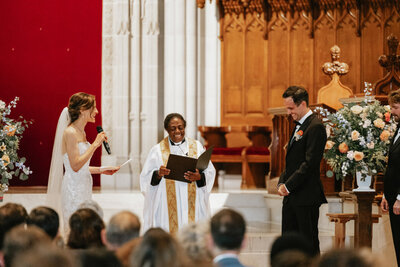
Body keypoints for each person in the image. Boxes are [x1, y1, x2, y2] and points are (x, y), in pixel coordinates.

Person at [46, 92, 120, 234]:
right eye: (94, 108)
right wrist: (95, 144)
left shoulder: (81, 132)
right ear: (82, 110)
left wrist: (102, 169)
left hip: (84, 185)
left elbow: (82, 167)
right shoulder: (70, 132)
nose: (97, 112)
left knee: (85, 228)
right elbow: (74, 166)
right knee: (75, 228)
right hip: (73, 188)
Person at [140, 113, 216, 233]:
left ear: (184, 127)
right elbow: (145, 178)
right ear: (167, 130)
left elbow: (210, 171)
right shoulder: (157, 150)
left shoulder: (196, 146)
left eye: (180, 127)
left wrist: (200, 177)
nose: (177, 131)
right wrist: (158, 174)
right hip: (167, 205)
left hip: (192, 201)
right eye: (173, 128)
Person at [278, 86, 327, 254]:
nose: (288, 112)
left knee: (308, 244)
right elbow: (292, 160)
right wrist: (282, 182)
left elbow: (310, 163)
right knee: (289, 243)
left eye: (291, 108)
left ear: (303, 104)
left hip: (306, 196)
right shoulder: (300, 125)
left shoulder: (315, 126)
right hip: (293, 196)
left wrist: (288, 186)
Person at [381, 89, 400, 265]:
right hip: (393, 195)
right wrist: (387, 195)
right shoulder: (399, 129)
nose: (391, 111)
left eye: (395, 107)